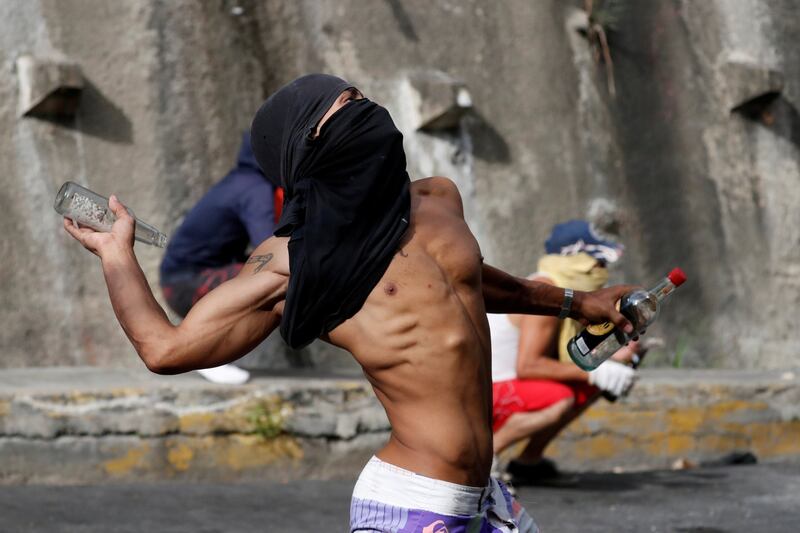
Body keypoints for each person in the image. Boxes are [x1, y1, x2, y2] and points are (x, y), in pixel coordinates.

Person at [63, 74, 638, 532]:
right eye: (345, 106)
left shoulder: (436, 199)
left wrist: (576, 301)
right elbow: (164, 349)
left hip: (484, 499)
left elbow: (471, 285)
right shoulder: (296, 261)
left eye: (362, 97)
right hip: (412, 504)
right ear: (309, 144)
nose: (366, 109)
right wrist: (116, 254)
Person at [490, 220, 642, 485]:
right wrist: (595, 372)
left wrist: (613, 358)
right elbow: (528, 366)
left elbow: (562, 358)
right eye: (596, 264)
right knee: (561, 398)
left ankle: (528, 462)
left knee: (592, 382)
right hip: (488, 391)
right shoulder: (546, 293)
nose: (602, 272)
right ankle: (485, 459)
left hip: (507, 385)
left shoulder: (560, 291)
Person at [159, 133, 278, 384]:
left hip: (183, 280)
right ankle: (204, 354)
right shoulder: (254, 189)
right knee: (277, 276)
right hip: (186, 285)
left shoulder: (243, 181)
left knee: (269, 271)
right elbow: (271, 247)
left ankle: (208, 350)